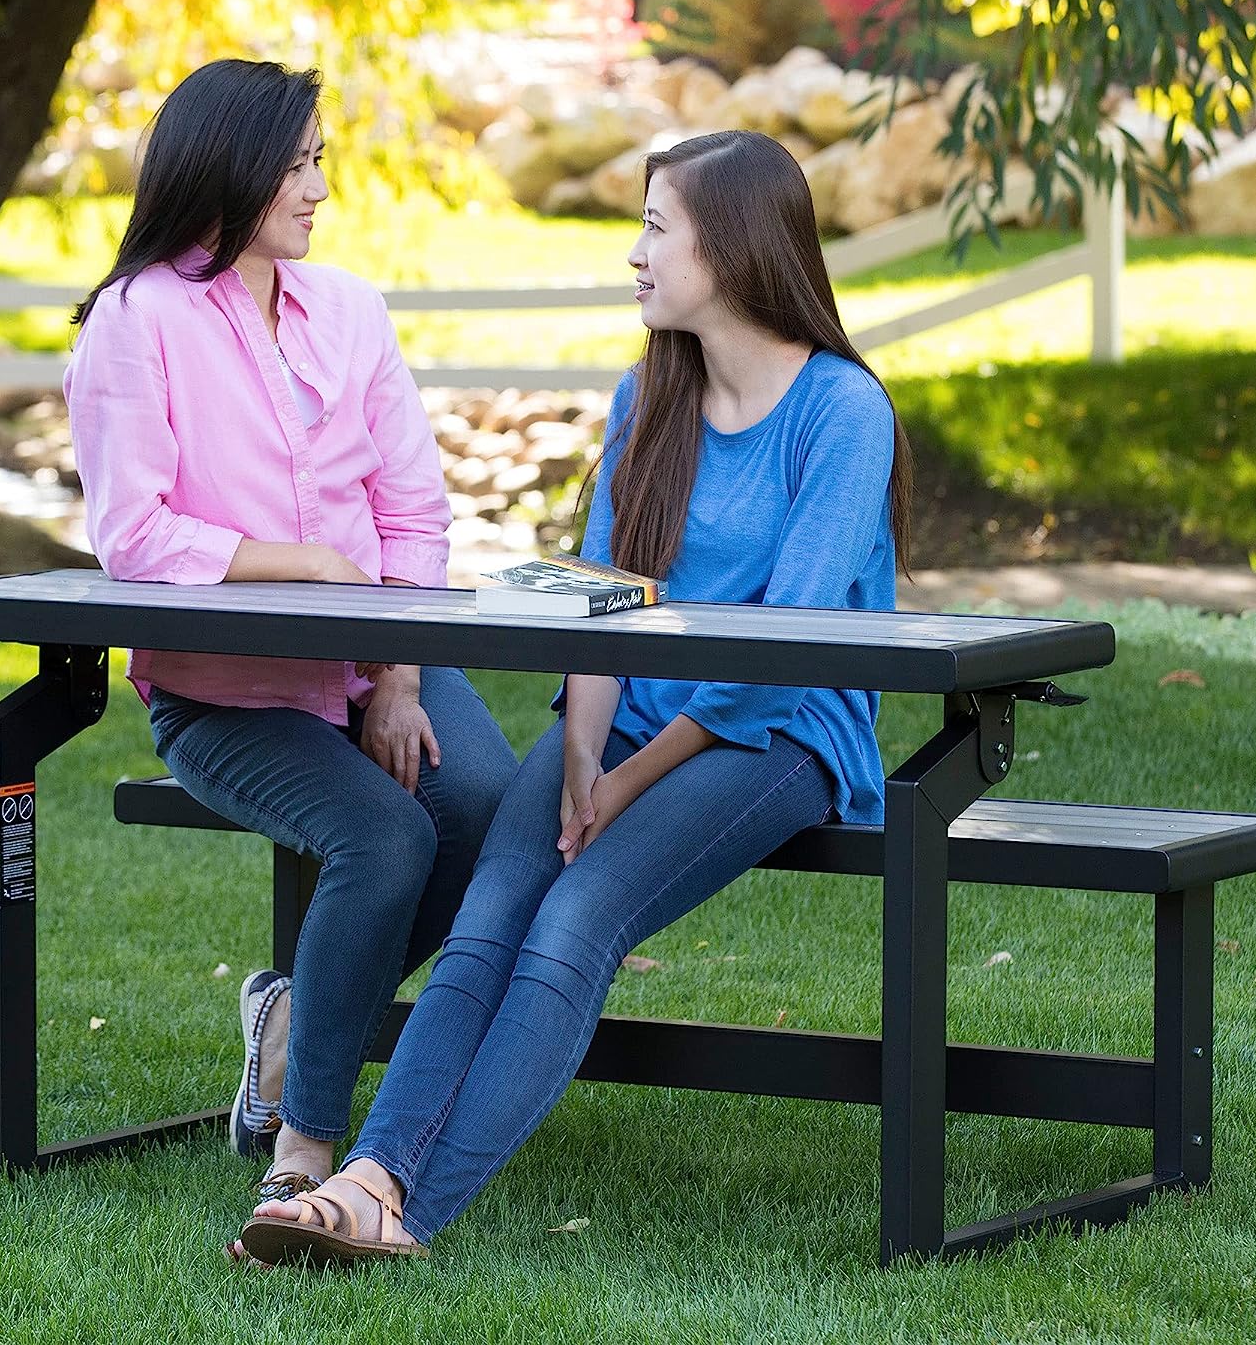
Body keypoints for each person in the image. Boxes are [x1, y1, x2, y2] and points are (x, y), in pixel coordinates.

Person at [236, 128, 915, 1267]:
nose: (635, 255)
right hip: (627, 718)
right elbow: (600, 599)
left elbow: (782, 652)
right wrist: (586, 749)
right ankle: (368, 1177)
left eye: (657, 229)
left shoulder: (842, 413)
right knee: (489, 918)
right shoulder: (647, 393)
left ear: (737, 250)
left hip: (779, 730)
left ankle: (405, 1204)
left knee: (572, 921)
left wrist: (627, 781)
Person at [62, 58, 518, 1208]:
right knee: (386, 837)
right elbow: (133, 532)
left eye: (321, 160)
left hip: (373, 664)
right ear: (234, 168)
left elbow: (414, 512)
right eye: (302, 162)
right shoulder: (136, 318)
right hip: (222, 696)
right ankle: (305, 1144)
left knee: (487, 820)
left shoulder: (350, 309)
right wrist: (304, 561)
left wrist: (400, 676)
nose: (320, 187)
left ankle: (294, 1021)